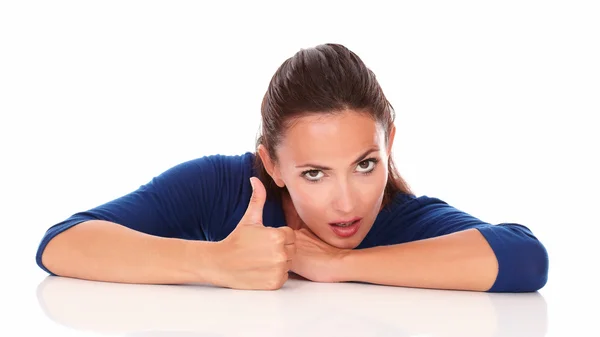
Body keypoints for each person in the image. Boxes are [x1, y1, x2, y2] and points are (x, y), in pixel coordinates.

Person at [35, 43, 549, 292]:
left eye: (365, 164)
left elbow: (526, 258)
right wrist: (214, 263)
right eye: (314, 174)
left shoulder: (401, 219)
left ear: (388, 145)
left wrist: (336, 263)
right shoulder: (223, 186)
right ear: (272, 164)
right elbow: (61, 243)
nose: (347, 202)